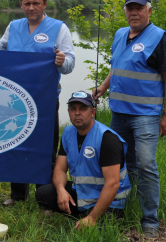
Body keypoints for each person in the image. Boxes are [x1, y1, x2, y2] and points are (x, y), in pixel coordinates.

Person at [92, 0, 166, 239]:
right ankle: (119, 209)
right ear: (125, 11)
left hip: (145, 116)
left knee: (145, 164)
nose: (134, 12)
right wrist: (103, 87)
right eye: (130, 8)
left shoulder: (160, 38)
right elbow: (117, 66)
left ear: (149, 10)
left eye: (139, 7)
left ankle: (150, 220)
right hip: (118, 113)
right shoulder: (119, 34)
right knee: (119, 165)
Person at [0, 0, 75, 207]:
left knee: (44, 147)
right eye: (27, 3)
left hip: (44, 98)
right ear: (21, 4)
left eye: (36, 3)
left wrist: (62, 62)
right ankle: (17, 195)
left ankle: (44, 197)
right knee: (14, 141)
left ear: (45, 4)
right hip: (13, 98)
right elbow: (1, 53)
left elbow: (70, 63)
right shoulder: (13, 26)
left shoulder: (59, 28)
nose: (31, 7)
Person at [35, 91, 131, 228]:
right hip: (83, 194)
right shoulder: (68, 133)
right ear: (68, 112)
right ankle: (83, 215)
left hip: (111, 202)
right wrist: (61, 190)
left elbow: (113, 184)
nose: (77, 113)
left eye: (83, 109)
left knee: (98, 233)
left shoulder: (107, 139)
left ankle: (90, 217)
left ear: (93, 112)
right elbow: (60, 169)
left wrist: (92, 217)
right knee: (43, 194)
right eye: (73, 109)